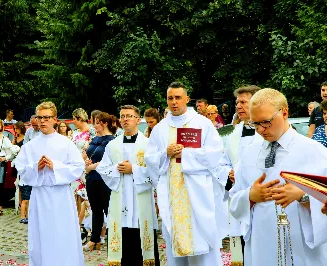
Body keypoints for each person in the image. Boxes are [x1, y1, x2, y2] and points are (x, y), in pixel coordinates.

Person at [229, 88, 327, 266]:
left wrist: (303, 195)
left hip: (302, 246)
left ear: (284, 112)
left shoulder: (314, 151)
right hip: (261, 243)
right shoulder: (249, 153)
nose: (260, 130)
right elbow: (234, 200)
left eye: (266, 122)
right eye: (255, 124)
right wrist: (250, 196)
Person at [145, 82, 224, 266]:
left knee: (202, 238)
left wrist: (186, 154)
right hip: (172, 194)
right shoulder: (160, 128)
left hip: (197, 192)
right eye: (170, 98)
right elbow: (150, 159)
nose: (174, 102)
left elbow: (215, 154)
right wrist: (166, 153)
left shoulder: (202, 124)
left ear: (187, 99)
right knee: (175, 239)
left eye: (178, 98)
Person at [14, 101, 85, 266]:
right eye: (39, 117)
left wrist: (55, 167)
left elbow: (78, 167)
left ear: (54, 119)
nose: (42, 121)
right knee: (41, 236)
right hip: (40, 197)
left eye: (46, 117)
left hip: (61, 196)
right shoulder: (30, 146)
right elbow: (21, 169)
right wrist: (35, 168)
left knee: (62, 234)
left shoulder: (65, 143)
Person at [97, 105, 160, 266]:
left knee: (143, 248)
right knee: (122, 246)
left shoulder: (148, 144)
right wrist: (117, 169)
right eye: (123, 116)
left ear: (138, 120)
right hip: (121, 199)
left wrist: (135, 169)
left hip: (141, 200)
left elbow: (156, 171)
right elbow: (103, 169)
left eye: (129, 116)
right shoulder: (113, 145)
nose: (125, 119)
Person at [216, 85, 262, 265]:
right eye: (237, 102)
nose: (238, 106)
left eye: (243, 102)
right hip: (239, 199)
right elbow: (222, 162)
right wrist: (229, 173)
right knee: (240, 249)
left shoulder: (267, 132)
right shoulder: (233, 133)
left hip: (260, 198)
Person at [83, 112, 116, 251]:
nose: (94, 125)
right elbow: (87, 154)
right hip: (91, 178)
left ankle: (114, 239)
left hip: (104, 178)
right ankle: (94, 239)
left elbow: (110, 161)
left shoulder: (112, 141)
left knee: (109, 209)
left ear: (104, 123)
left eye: (97, 122)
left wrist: (91, 166)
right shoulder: (95, 139)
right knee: (95, 209)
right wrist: (86, 162)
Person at [12, 121, 30, 223]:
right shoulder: (15, 138)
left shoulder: (25, 139)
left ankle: (24, 210)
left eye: (17, 128)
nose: (15, 131)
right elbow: (11, 149)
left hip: (25, 165)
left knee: (25, 193)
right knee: (19, 187)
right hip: (20, 165)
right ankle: (20, 206)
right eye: (14, 129)